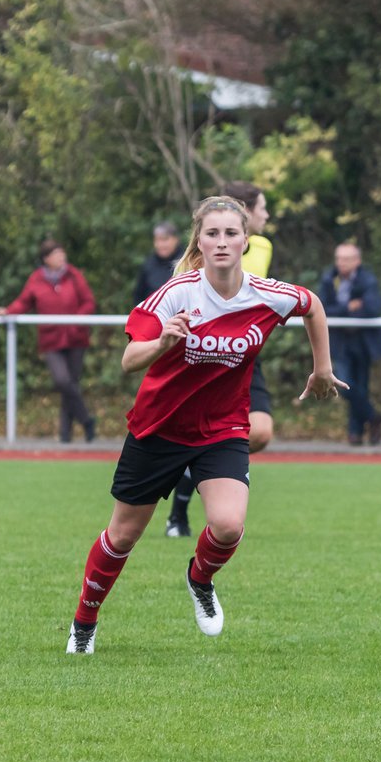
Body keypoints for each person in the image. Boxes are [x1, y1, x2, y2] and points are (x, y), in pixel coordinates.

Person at [64, 195, 345, 654]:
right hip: (159, 428)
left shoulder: (266, 294)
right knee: (122, 537)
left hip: (222, 429)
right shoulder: (179, 292)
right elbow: (128, 358)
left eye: (231, 233)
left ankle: (200, 578)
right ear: (199, 239)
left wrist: (322, 368)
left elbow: (312, 304)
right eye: (211, 233)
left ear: (245, 240)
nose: (221, 242)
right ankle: (84, 623)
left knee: (229, 525)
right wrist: (162, 342)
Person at [164, 181, 275, 538]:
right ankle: (179, 511)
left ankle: (213, 476)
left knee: (259, 432)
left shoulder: (261, 246)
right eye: (262, 208)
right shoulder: (206, 255)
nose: (266, 215)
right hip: (202, 358)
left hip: (241, 355)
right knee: (199, 435)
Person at [0, 240, 97, 443]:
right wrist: (8, 311)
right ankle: (86, 420)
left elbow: (88, 302)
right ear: (46, 259)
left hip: (75, 338)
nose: (61, 257)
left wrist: (77, 320)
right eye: (56, 254)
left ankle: (65, 436)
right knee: (63, 382)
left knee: (71, 385)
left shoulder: (74, 275)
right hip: (51, 340)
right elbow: (24, 302)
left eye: (62, 252)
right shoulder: (36, 279)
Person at [319, 243, 381, 445]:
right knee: (344, 383)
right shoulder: (328, 278)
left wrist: (344, 310)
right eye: (338, 258)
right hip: (340, 341)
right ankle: (373, 416)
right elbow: (321, 308)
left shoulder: (368, 280)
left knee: (360, 387)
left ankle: (355, 433)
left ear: (357, 261)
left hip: (363, 341)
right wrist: (348, 307)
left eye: (346, 259)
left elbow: (373, 308)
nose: (341, 263)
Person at [134, 221, 182, 305]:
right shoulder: (148, 264)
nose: (161, 244)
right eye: (157, 240)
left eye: (165, 239)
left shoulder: (186, 262)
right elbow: (138, 296)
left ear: (176, 240)